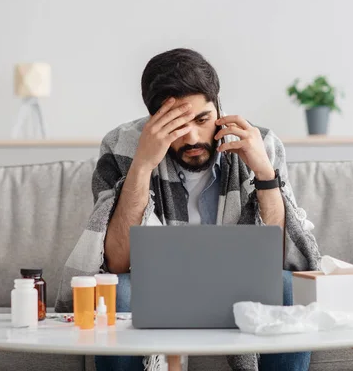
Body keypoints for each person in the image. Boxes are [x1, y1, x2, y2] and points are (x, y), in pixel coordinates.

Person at [55, 48, 321, 371]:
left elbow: (278, 260)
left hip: (240, 289)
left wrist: (265, 176)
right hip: (155, 290)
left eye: (202, 119)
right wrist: (141, 166)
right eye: (177, 125)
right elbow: (116, 261)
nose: (193, 136)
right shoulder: (122, 147)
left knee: (290, 287)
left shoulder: (261, 144)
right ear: (153, 121)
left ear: (218, 107)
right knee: (116, 294)